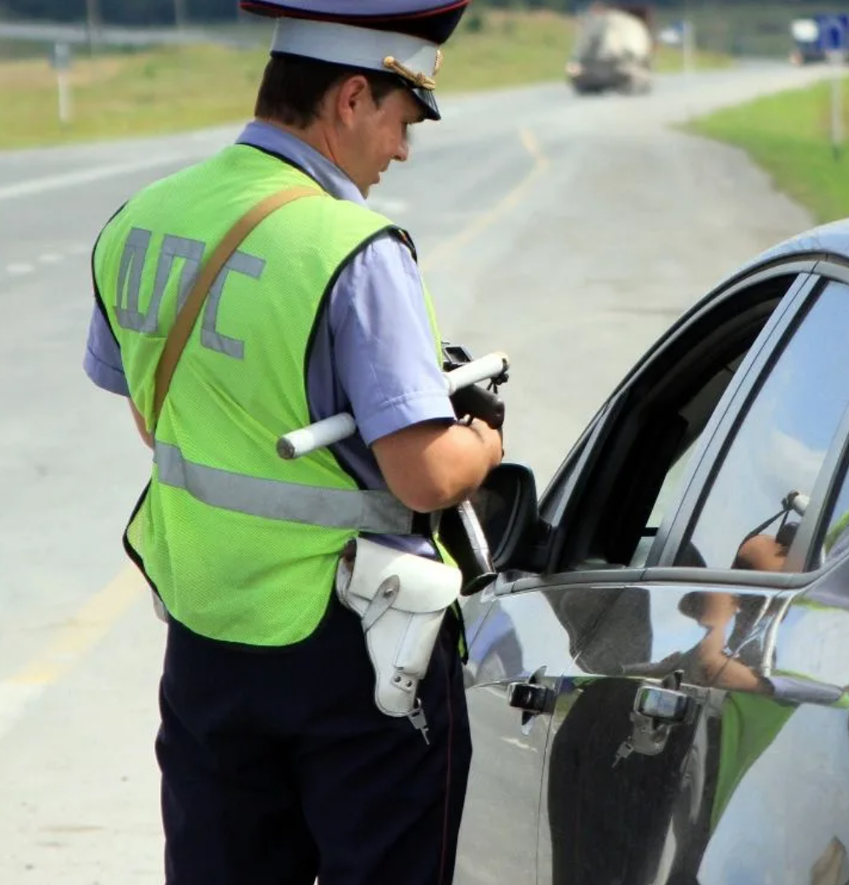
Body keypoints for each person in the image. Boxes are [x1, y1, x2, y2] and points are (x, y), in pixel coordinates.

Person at [81, 1, 501, 882]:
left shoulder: (143, 215)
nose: (401, 150)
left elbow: (158, 417)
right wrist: (485, 439)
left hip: (206, 632)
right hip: (352, 651)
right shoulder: (353, 246)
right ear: (351, 98)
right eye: (401, 119)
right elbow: (424, 475)